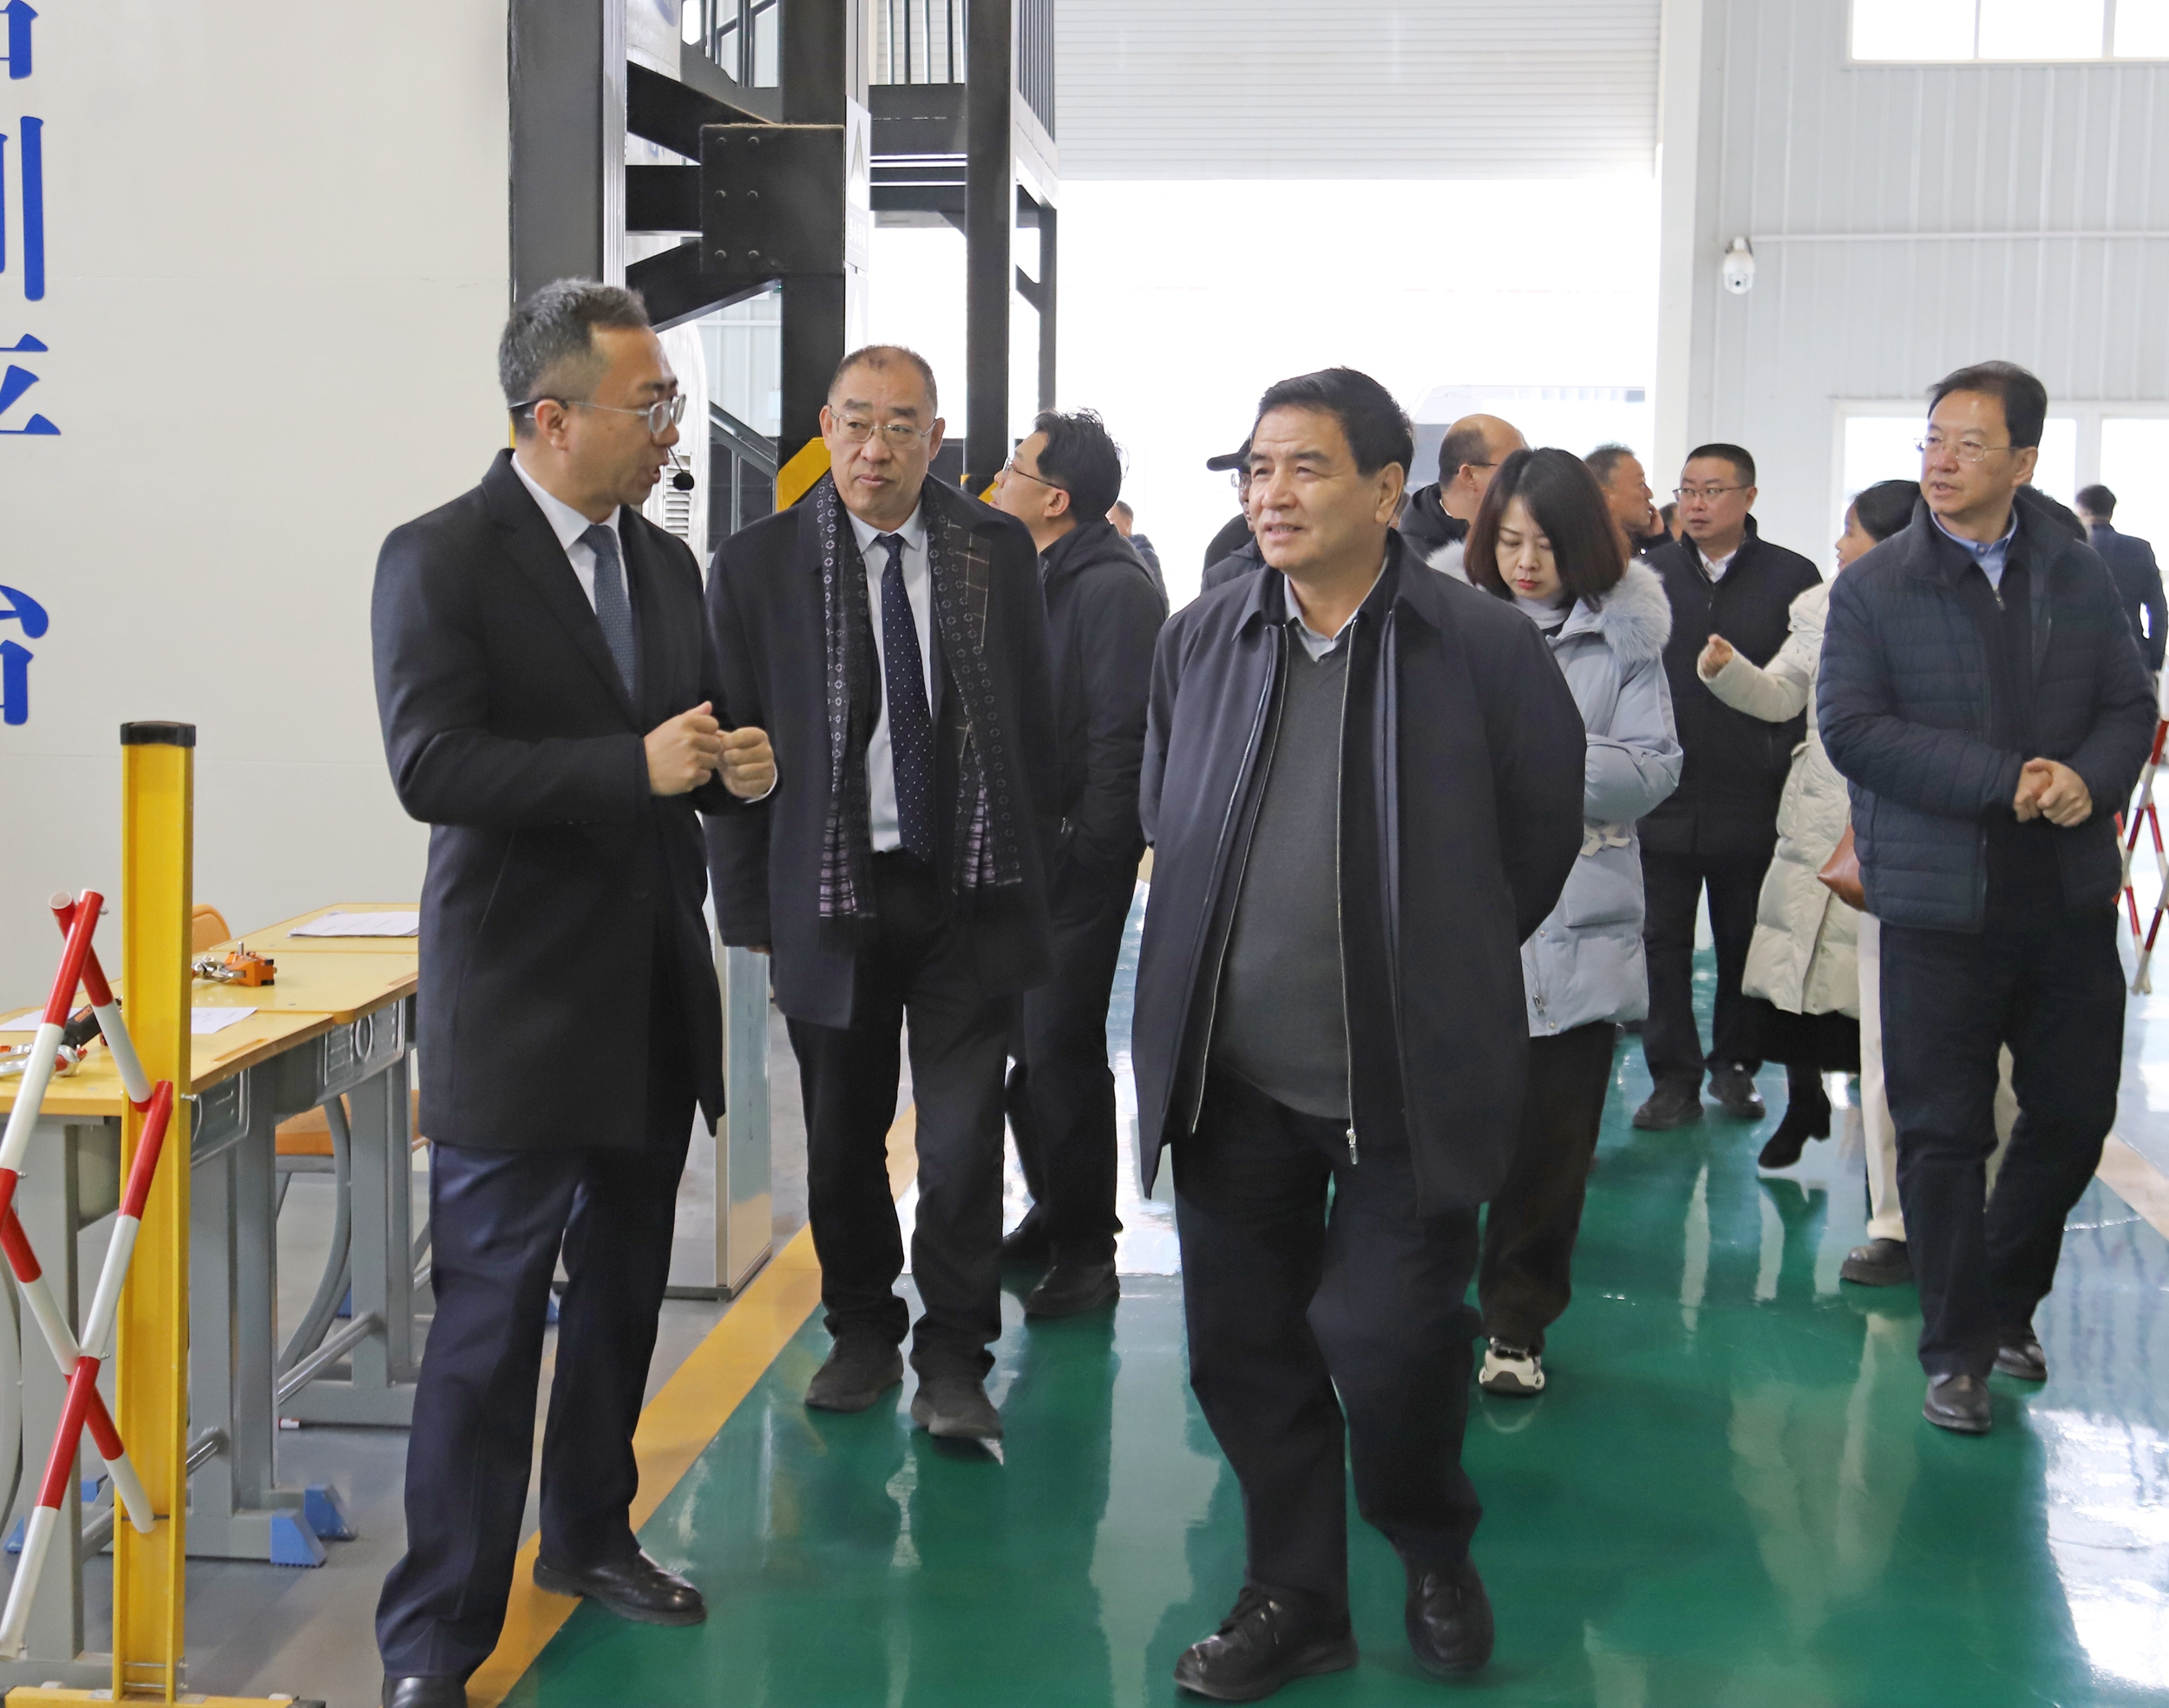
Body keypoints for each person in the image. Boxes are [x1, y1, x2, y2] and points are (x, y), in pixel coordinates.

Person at [1134, 369, 1584, 1695]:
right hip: (1232, 1076)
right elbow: (1168, 808)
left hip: (1400, 1080)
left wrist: (1436, 959)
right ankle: (1295, 1593)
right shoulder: (1203, 638)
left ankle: (1432, 1543)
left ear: (1389, 490)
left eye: (1305, 467)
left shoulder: (1480, 648)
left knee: (1390, 1344)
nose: (1270, 494)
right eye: (1256, 468)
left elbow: (1535, 841)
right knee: (1244, 1351)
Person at [370, 280, 777, 1708]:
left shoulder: (663, 566)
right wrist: (632, 767)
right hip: (522, 1006)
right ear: (551, 418)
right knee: (487, 1334)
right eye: (649, 404)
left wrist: (733, 769)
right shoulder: (440, 557)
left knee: (618, 1300)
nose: (670, 428)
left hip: (651, 993)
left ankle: (592, 1532)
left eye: (670, 401)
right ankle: (435, 1638)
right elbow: (432, 764)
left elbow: (686, 736)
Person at [705, 345, 1058, 1443]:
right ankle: (861, 1328)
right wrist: (751, 916)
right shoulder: (757, 565)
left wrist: (1034, 867)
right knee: (843, 1138)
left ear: (935, 440)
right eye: (856, 422)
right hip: (831, 894)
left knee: (958, 1144)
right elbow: (732, 758)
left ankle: (954, 1355)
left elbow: (1034, 720)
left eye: (901, 425)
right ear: (825, 427)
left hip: (965, 893)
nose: (875, 447)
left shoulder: (994, 549)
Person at [1820, 359, 2155, 1436]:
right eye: (1932, 440)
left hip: (2064, 900)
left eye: (1969, 444)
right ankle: (1957, 1350)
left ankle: (2008, 1303)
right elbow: (1852, 728)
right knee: (1940, 1132)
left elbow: (2128, 704)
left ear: (2024, 461)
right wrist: (2002, 779)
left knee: (2072, 1113)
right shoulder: (1876, 586)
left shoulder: (2076, 574)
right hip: (1936, 908)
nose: (1942, 462)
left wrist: (2087, 779)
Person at [1464, 449, 1681, 1398]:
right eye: (1509, 540)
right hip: (1457, 930)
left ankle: (1516, 1323)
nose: (1524, 562)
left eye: (1545, 545)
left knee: (1549, 1154)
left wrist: (1518, 756)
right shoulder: (1447, 622)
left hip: (1578, 930)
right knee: (1441, 1141)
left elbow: (1651, 769)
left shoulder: (1624, 639)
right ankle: (1427, 1311)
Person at [990, 410, 1165, 1315]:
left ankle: (1089, 1251)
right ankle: (1052, 1210)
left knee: (1060, 1049)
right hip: (1022, 858)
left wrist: (1087, 851)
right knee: (1025, 1049)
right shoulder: (1035, 572)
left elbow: (1120, 738)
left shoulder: (1113, 590)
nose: (998, 480)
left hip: (1071, 867)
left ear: (1055, 499)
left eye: (1014, 468)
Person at [1694, 480, 1914, 1171]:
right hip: (1814, 810)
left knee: (1871, 987)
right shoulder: (1821, 606)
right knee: (1796, 969)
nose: (1840, 545)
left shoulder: (1932, 614)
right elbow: (1782, 694)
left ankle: (1887, 1143)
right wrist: (1729, 672)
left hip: (1889, 813)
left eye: (1853, 531)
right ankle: (1803, 1102)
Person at [1633, 443, 1822, 1130]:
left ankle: (1735, 1066)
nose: (1696, 503)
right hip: (1663, 792)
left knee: (1744, 937)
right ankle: (1672, 1077)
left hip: (1752, 792)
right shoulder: (1647, 575)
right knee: (1662, 943)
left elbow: (1801, 684)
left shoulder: (1792, 577)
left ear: (1749, 497)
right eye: (1687, 489)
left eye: (1712, 490)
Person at [1396, 413, 1528, 577]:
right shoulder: (1411, 565)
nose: (1528, 478)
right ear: (1469, 476)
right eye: (1515, 468)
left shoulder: (1528, 536)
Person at [2075, 482, 2166, 678]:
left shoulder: (2072, 549)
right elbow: (2158, 609)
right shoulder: (2140, 549)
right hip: (2133, 656)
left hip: (2081, 660)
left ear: (2083, 511)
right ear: (2111, 511)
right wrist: (2154, 658)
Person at [1586, 442, 1671, 557]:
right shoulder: (1585, 557)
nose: (1650, 494)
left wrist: (1657, 540)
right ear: (1606, 497)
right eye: (1641, 485)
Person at [1109, 498, 1168, 605]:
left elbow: (1160, 598)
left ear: (1127, 523)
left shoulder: (1143, 554)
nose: (1105, 524)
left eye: (1110, 519)